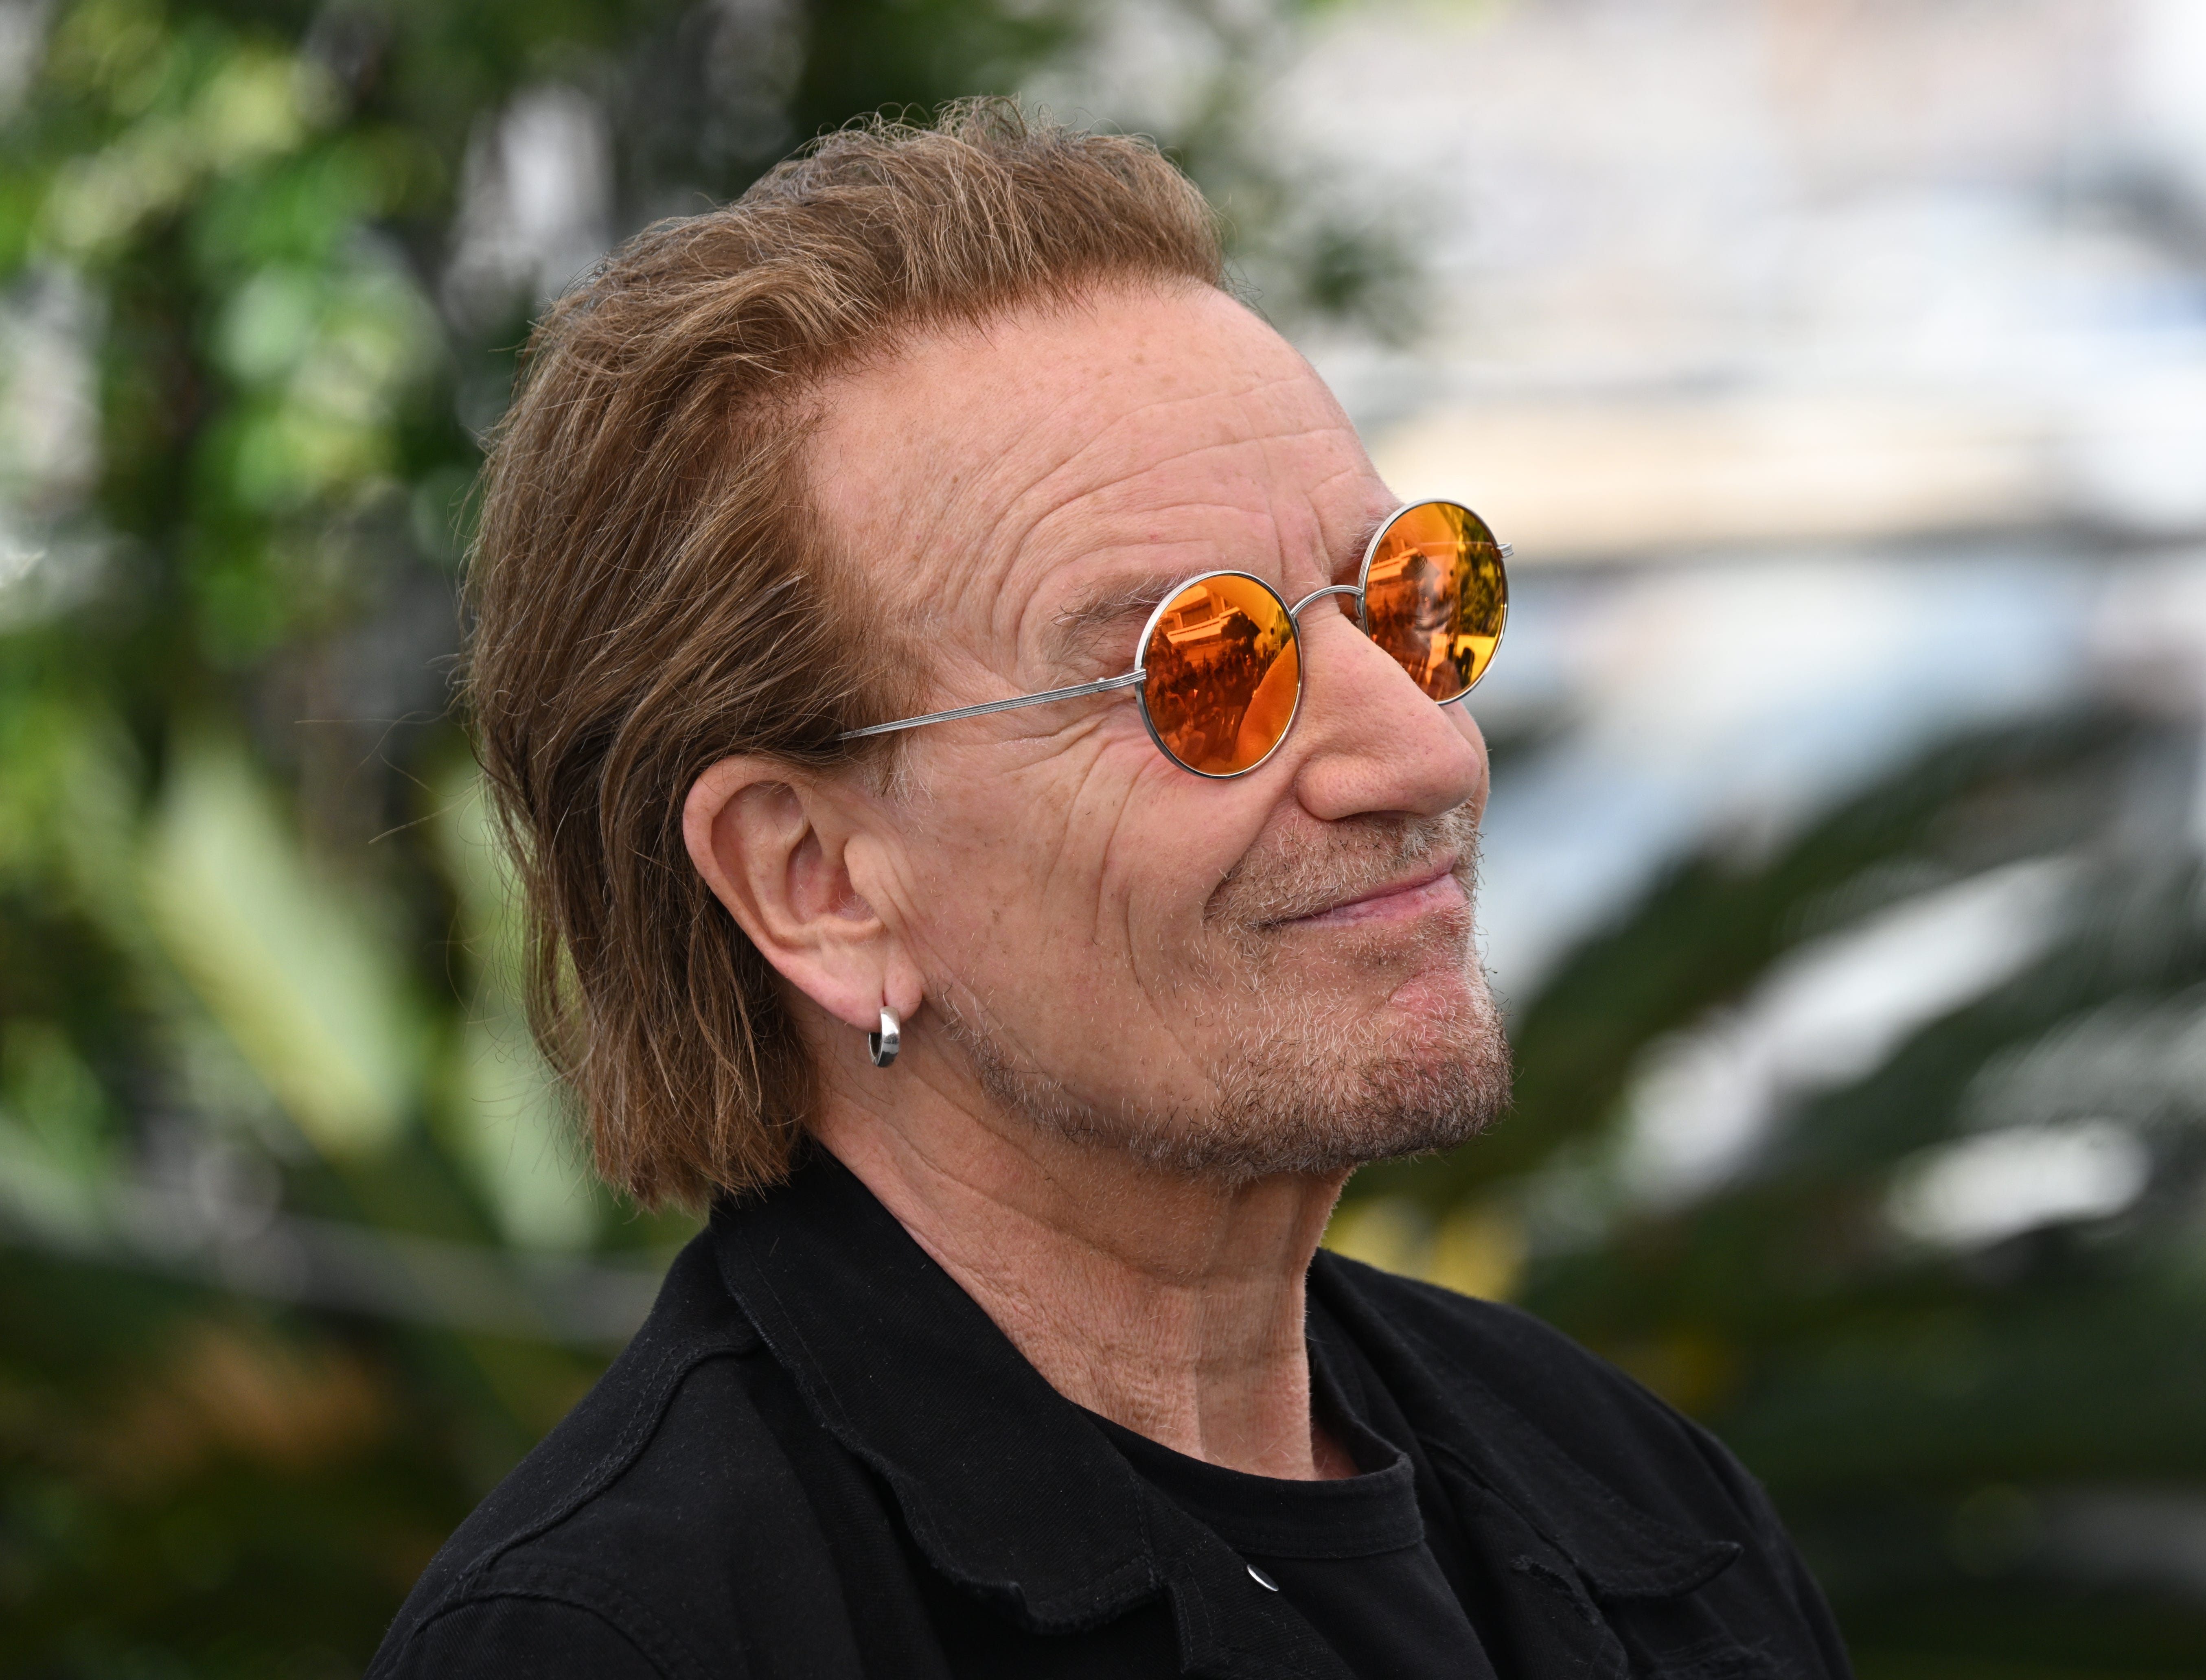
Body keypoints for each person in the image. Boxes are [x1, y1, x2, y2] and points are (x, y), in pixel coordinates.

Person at [370, 103, 1853, 1680]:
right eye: (1201, 669)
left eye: (1415, 600)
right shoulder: (640, 1640)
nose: (1422, 752)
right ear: (815, 883)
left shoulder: (1637, 1507)